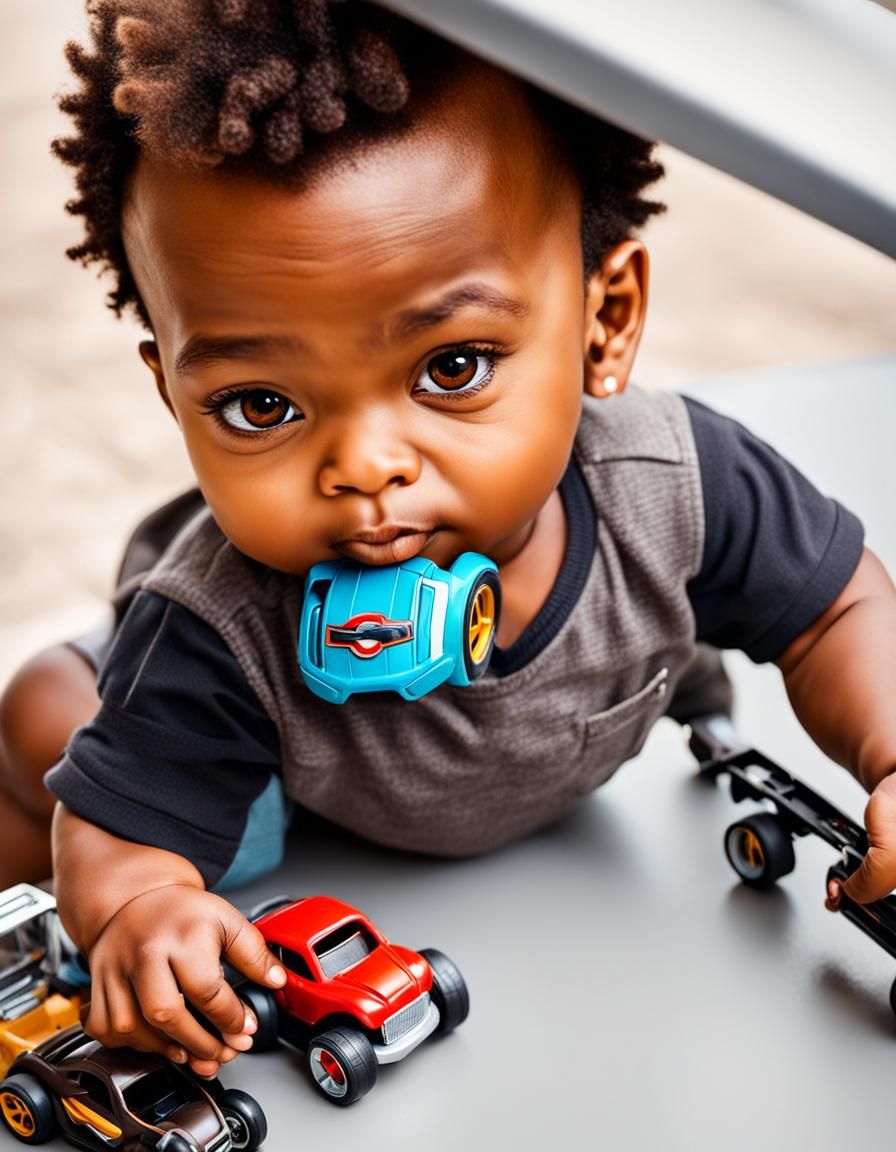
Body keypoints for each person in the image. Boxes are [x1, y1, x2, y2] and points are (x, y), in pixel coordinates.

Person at [1, 0, 894, 1079]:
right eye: (259, 405)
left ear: (602, 323)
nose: (364, 468)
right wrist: (140, 911)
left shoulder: (678, 486)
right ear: (172, 393)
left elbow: (840, 608)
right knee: (49, 728)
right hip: (267, 774)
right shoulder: (215, 630)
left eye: (453, 367)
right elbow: (122, 850)